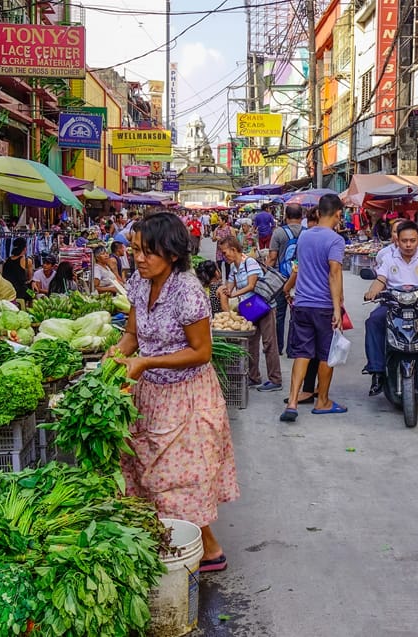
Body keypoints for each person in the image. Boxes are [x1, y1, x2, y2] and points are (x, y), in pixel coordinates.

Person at [108, 211, 239, 573]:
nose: (139, 258)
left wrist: (146, 364)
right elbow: (133, 334)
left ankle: (206, 550)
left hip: (187, 396)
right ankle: (178, 544)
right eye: (135, 250)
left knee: (175, 478)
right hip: (150, 395)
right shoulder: (138, 282)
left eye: (147, 252)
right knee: (145, 471)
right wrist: (116, 357)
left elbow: (201, 351)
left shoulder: (188, 290)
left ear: (171, 253)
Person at [363, 221, 418, 397]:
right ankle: (377, 371)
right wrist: (372, 292)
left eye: (412, 240)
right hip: (393, 305)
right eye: (404, 241)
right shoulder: (389, 258)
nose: (408, 245)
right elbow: (380, 279)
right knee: (373, 321)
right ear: (397, 240)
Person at [280, 194, 346, 422]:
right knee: (327, 354)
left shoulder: (305, 237)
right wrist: (337, 309)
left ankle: (292, 401)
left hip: (303, 304)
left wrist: (289, 289)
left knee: (302, 353)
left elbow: (298, 269)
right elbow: (334, 273)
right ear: (338, 213)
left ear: (318, 213)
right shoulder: (336, 240)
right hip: (324, 306)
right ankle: (323, 401)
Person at [217, 236, 282, 392]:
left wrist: (233, 294)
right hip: (250, 308)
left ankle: (275, 379)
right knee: (251, 344)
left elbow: (252, 285)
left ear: (234, 249)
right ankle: (254, 377)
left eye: (225, 253)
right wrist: (224, 291)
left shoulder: (249, 262)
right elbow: (229, 286)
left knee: (269, 343)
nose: (224, 256)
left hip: (264, 307)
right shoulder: (234, 268)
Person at [267, 204, 304, 356]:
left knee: (280, 314)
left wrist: (265, 276)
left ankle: (278, 346)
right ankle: (293, 348)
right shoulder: (307, 233)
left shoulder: (279, 233)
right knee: (297, 314)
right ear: (301, 217)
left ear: (286, 217)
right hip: (301, 279)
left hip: (281, 278)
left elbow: (272, 257)